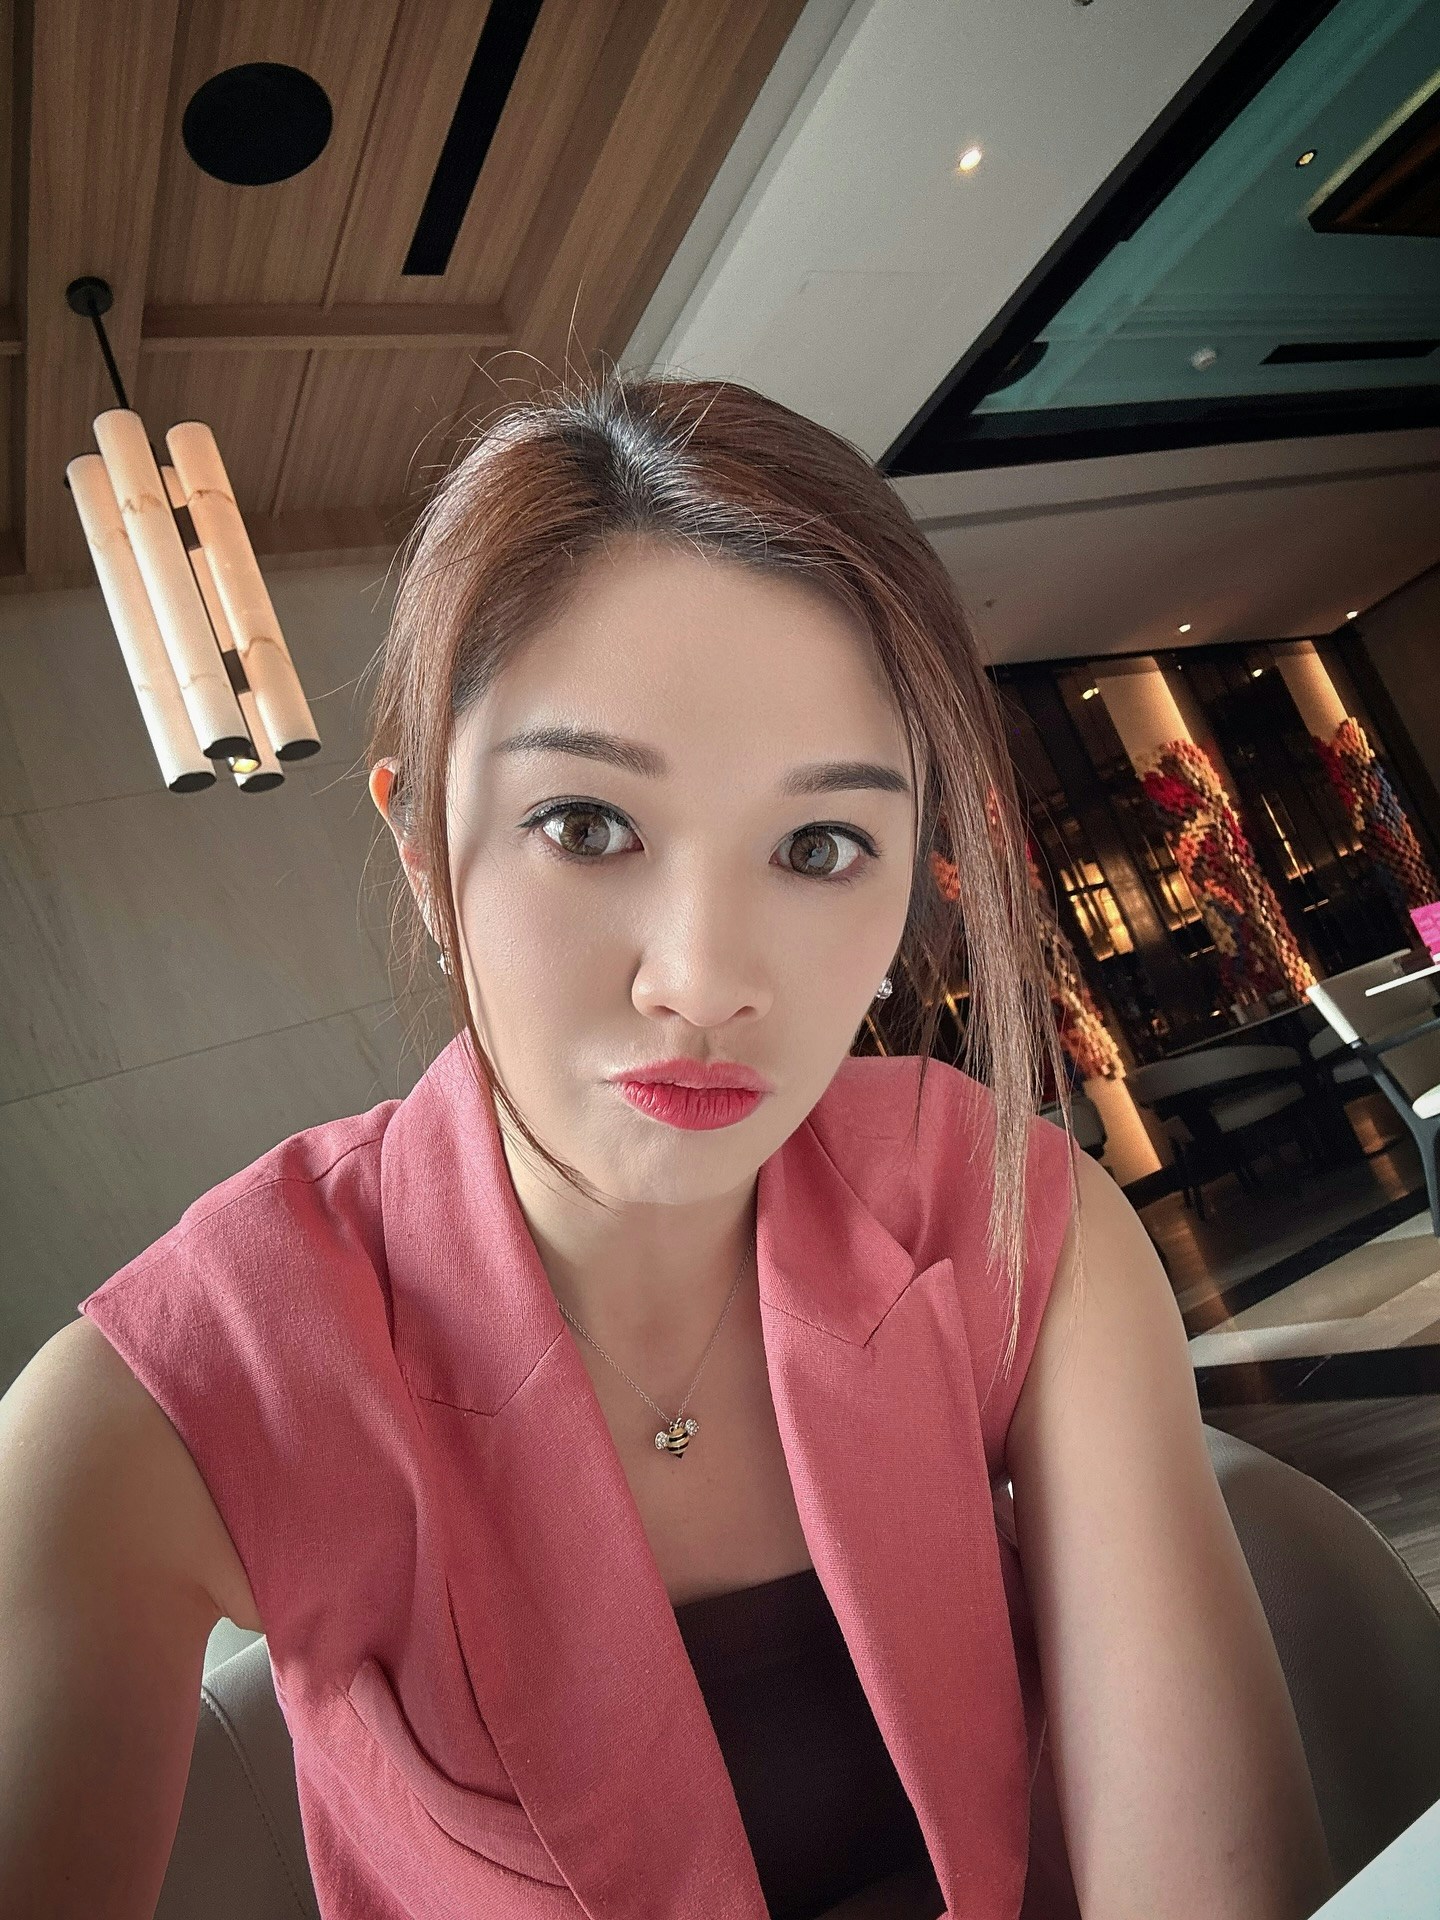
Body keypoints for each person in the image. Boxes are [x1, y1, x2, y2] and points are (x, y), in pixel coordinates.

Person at [0, 372, 1336, 1920]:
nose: (703, 980)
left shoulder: (999, 1210)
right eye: (586, 825)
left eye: (820, 846)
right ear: (425, 851)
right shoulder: (158, 1400)